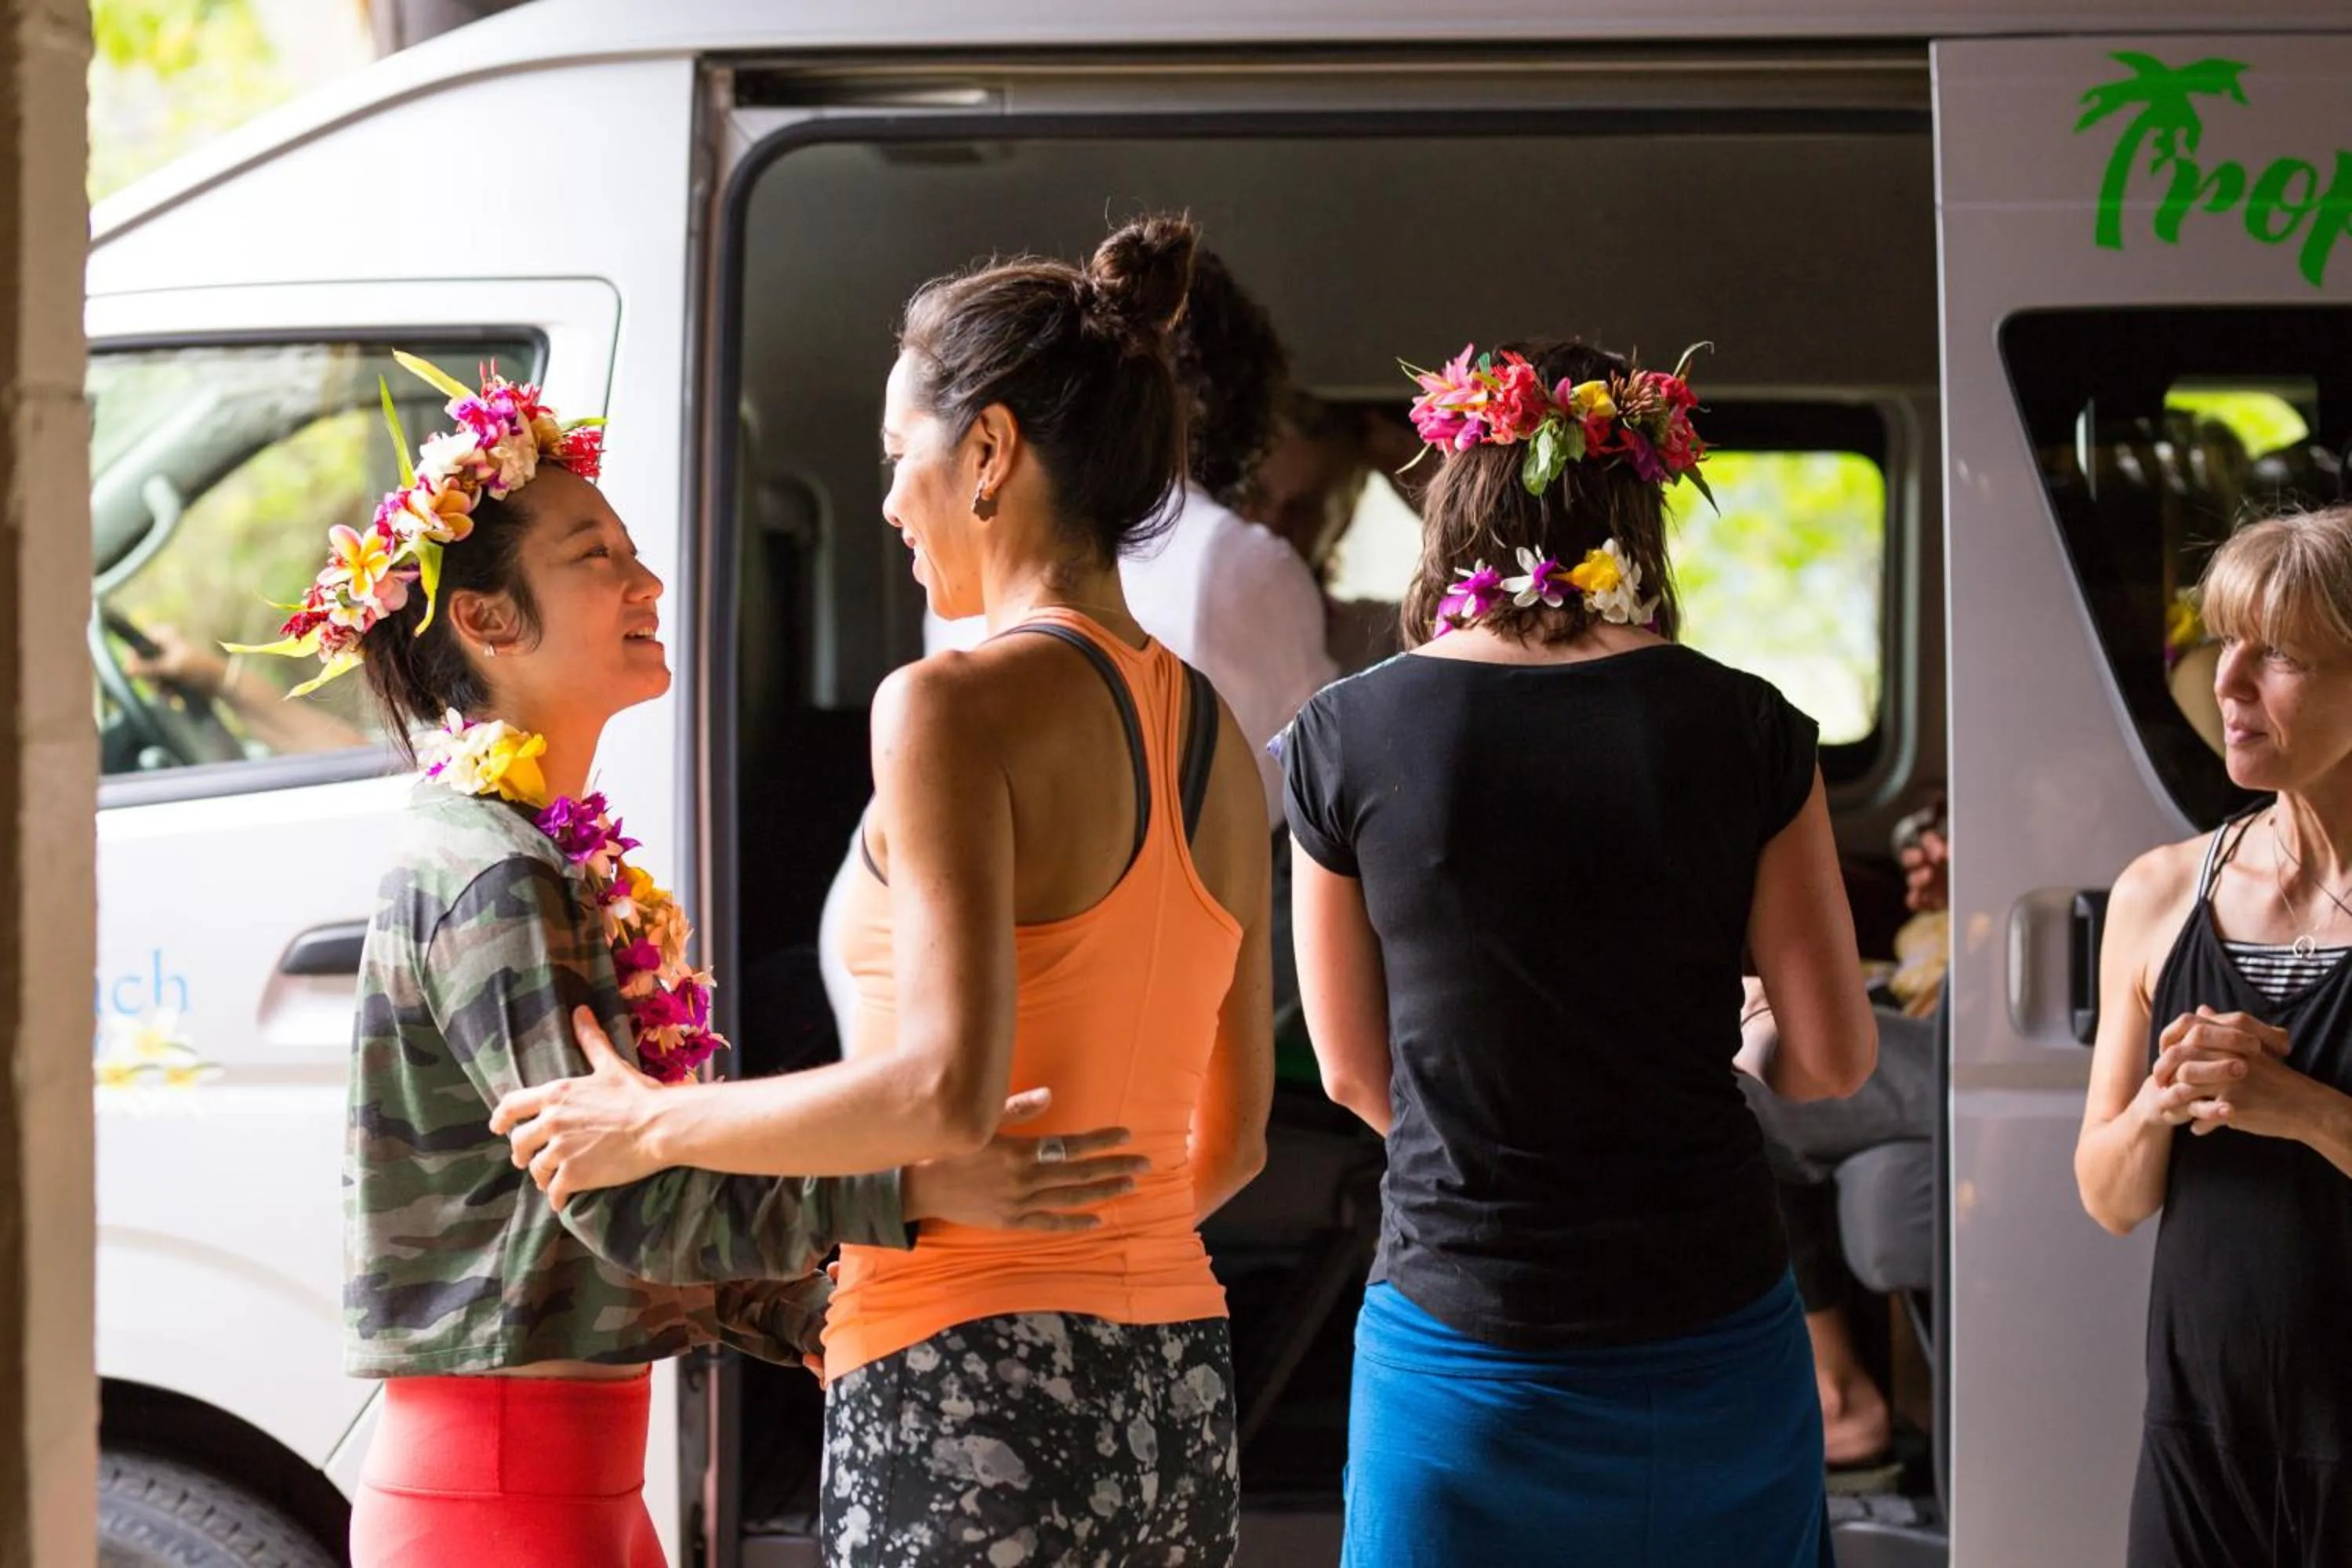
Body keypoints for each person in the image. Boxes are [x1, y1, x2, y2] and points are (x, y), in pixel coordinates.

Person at [233, 354, 1141, 1567]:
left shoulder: (529, 853)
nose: (647, 579)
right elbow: (624, 1197)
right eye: (596, 557)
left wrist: (830, 1315)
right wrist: (912, 1191)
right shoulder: (489, 869)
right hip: (506, 1493)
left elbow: (633, 1201)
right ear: (488, 620)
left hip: (567, 1483)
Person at [492, 216, 1276, 1566]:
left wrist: (651, 1125)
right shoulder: (1207, 728)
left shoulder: (948, 707)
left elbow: (940, 1095)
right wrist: (1104, 1255)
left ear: (989, 453)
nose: (888, 499)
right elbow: (1238, 1139)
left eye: (897, 454)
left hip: (968, 1377)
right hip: (1179, 1380)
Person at [1283, 338, 1876, 1567]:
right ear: (1642, 508)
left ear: (1455, 498)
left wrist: (1502, 1142)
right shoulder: (1749, 728)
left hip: (1463, 1341)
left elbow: (1350, 1072)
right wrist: (1742, 1018)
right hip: (1709, 1338)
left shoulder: (1343, 734)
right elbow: (1828, 1062)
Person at [2077, 504, 2352, 1566]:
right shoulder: (2159, 893)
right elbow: (2109, 1197)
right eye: (2223, 640)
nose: (2225, 683)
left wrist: (2307, 1112)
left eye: (2277, 655)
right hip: (2201, 1448)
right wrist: (2159, 1102)